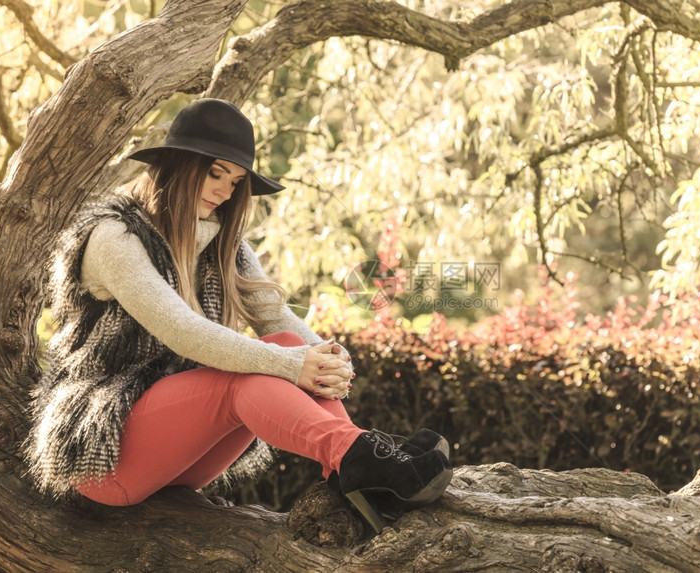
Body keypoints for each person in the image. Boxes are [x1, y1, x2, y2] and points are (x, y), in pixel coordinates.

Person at [24, 97, 452, 533]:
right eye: (215, 173)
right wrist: (293, 364)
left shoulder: (225, 242)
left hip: (179, 456)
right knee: (252, 373)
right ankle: (364, 458)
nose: (225, 192)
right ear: (178, 165)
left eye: (236, 181)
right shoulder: (114, 236)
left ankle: (360, 480)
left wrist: (333, 359)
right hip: (105, 452)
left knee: (287, 346)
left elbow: (278, 320)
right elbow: (182, 330)